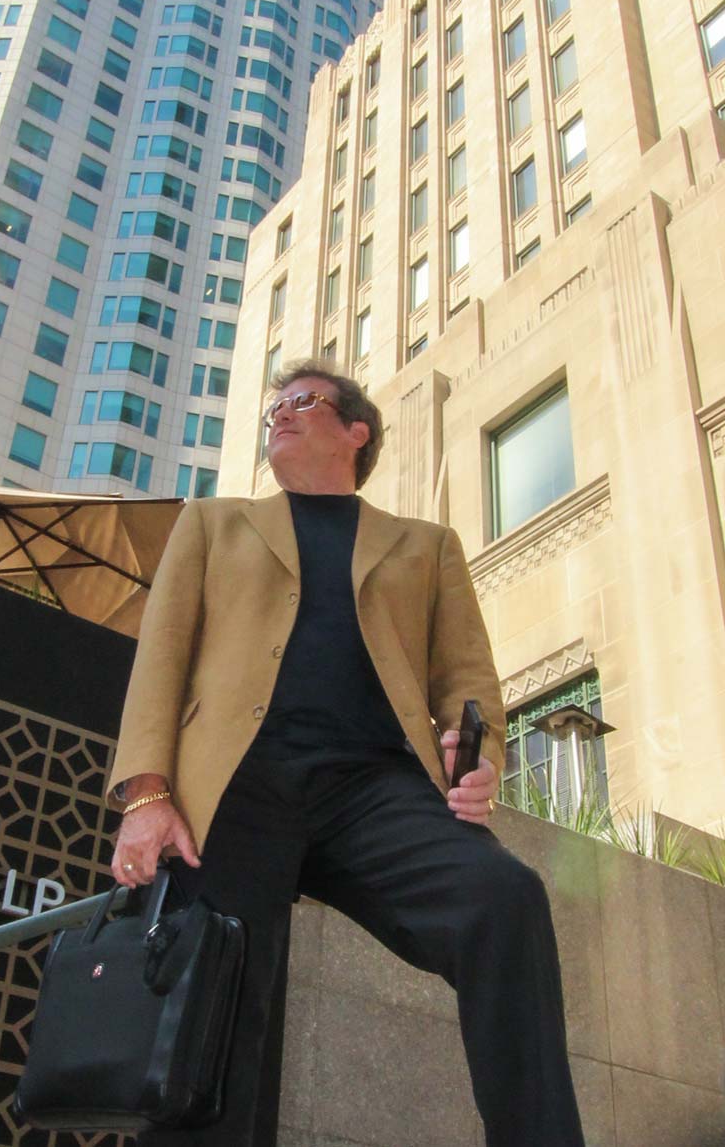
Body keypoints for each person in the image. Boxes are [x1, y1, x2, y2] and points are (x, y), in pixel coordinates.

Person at [106, 362, 584, 1146]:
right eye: (274, 408)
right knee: (215, 1006)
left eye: (302, 402)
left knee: (504, 897)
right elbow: (160, 659)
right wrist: (147, 795)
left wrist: (483, 757)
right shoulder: (213, 522)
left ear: (356, 431)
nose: (281, 415)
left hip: (375, 786)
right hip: (235, 785)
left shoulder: (426, 545)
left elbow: (467, 679)